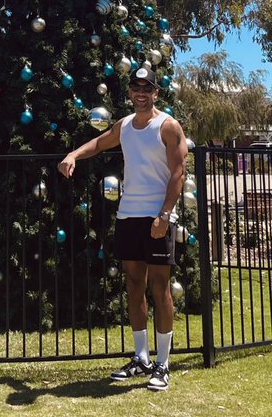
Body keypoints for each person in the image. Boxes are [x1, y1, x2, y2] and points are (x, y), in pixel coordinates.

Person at [58, 65, 187, 391]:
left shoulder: (168, 126)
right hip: (128, 216)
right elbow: (100, 143)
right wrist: (74, 154)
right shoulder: (125, 125)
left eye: (147, 89)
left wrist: (165, 215)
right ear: (130, 92)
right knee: (133, 285)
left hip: (157, 218)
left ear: (156, 93)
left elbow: (178, 174)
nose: (141, 94)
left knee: (160, 288)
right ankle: (141, 358)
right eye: (135, 88)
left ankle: (163, 364)